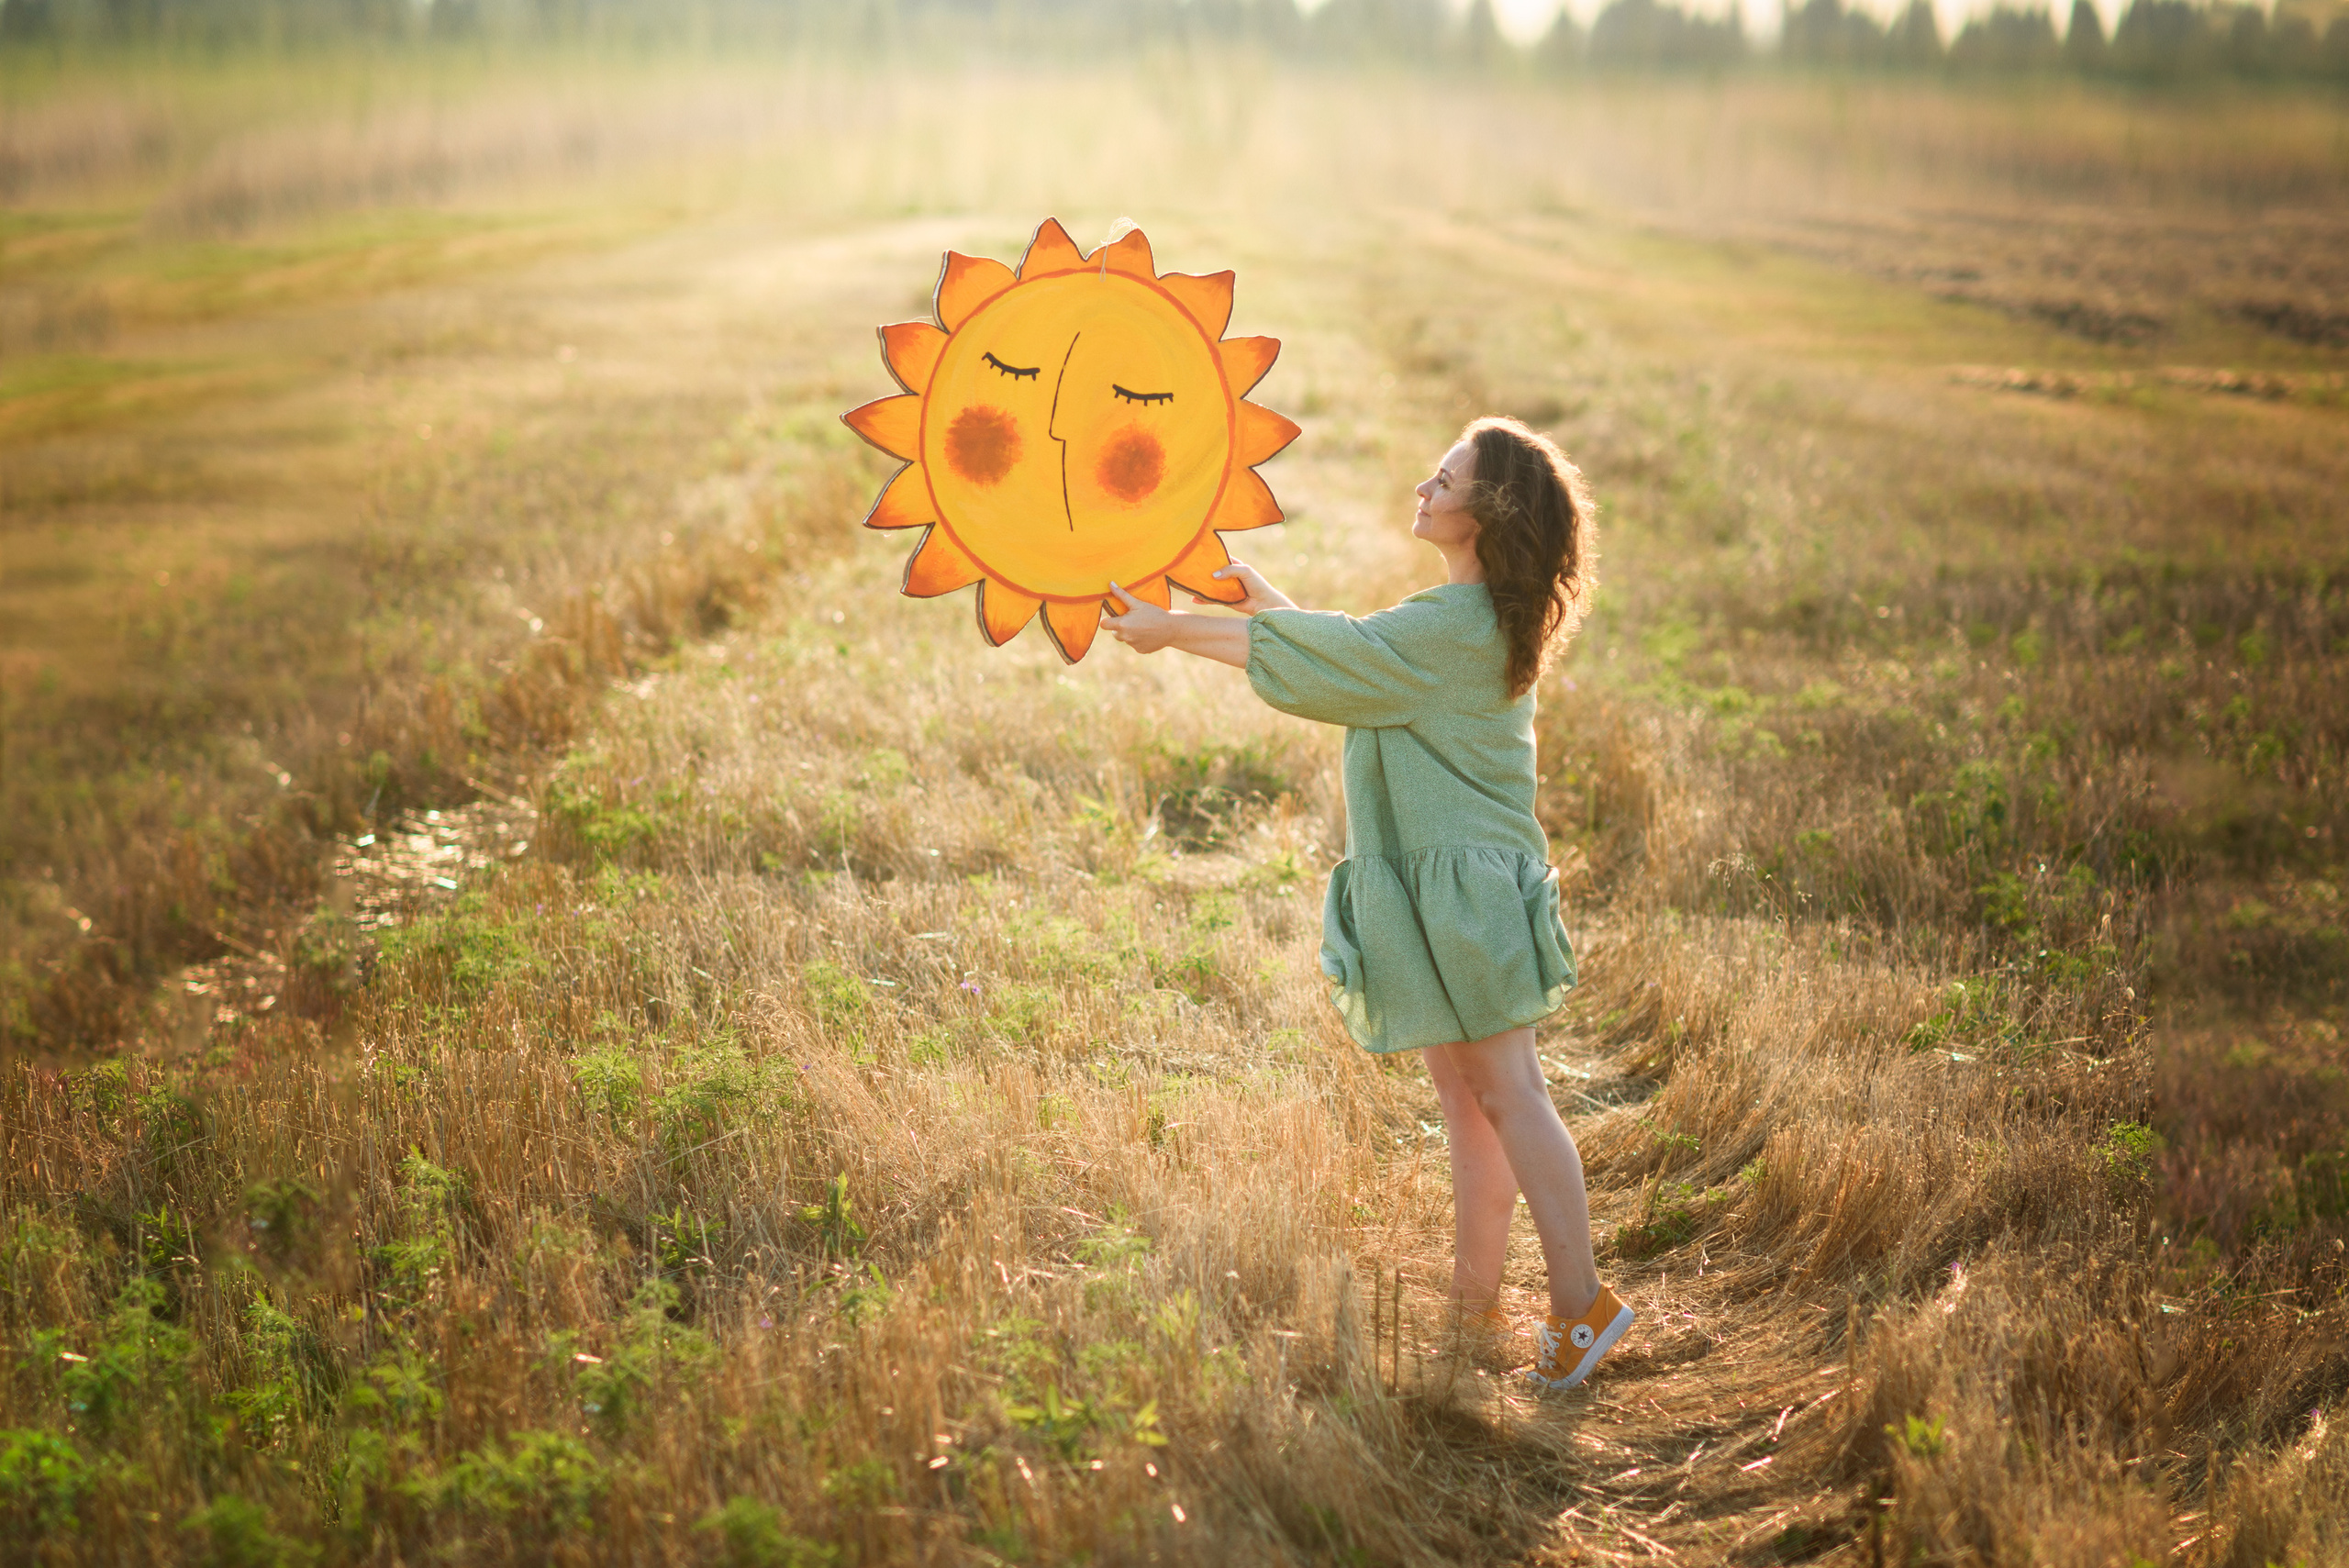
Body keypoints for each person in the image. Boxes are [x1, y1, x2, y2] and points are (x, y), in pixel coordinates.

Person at [1100, 415, 1631, 1392]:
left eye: (1445, 478)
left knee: (1509, 1091)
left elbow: (1349, 660)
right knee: (1466, 1097)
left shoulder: (1451, 626)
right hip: (1436, 881)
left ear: (1490, 509)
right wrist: (1271, 607)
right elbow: (1357, 666)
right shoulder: (1455, 620)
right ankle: (1474, 1302)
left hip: (1464, 888)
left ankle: (1581, 1300)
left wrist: (1171, 628)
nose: (1423, 489)